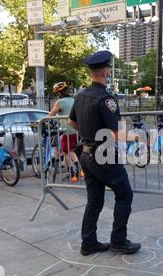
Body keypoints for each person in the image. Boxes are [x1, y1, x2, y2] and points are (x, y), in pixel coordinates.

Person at [68, 50, 141, 256]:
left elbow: (71, 122)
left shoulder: (80, 95)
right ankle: (118, 241)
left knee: (95, 200)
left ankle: (88, 243)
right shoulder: (106, 99)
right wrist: (137, 137)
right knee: (125, 194)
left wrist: (89, 134)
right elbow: (117, 134)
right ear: (105, 72)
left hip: (85, 154)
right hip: (104, 155)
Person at [49, 82, 83, 183]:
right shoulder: (73, 100)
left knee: (66, 152)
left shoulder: (60, 102)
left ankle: (73, 174)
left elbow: (51, 114)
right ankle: (80, 171)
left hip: (68, 130)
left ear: (59, 93)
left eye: (57, 93)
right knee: (73, 151)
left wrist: (40, 121)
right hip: (77, 129)